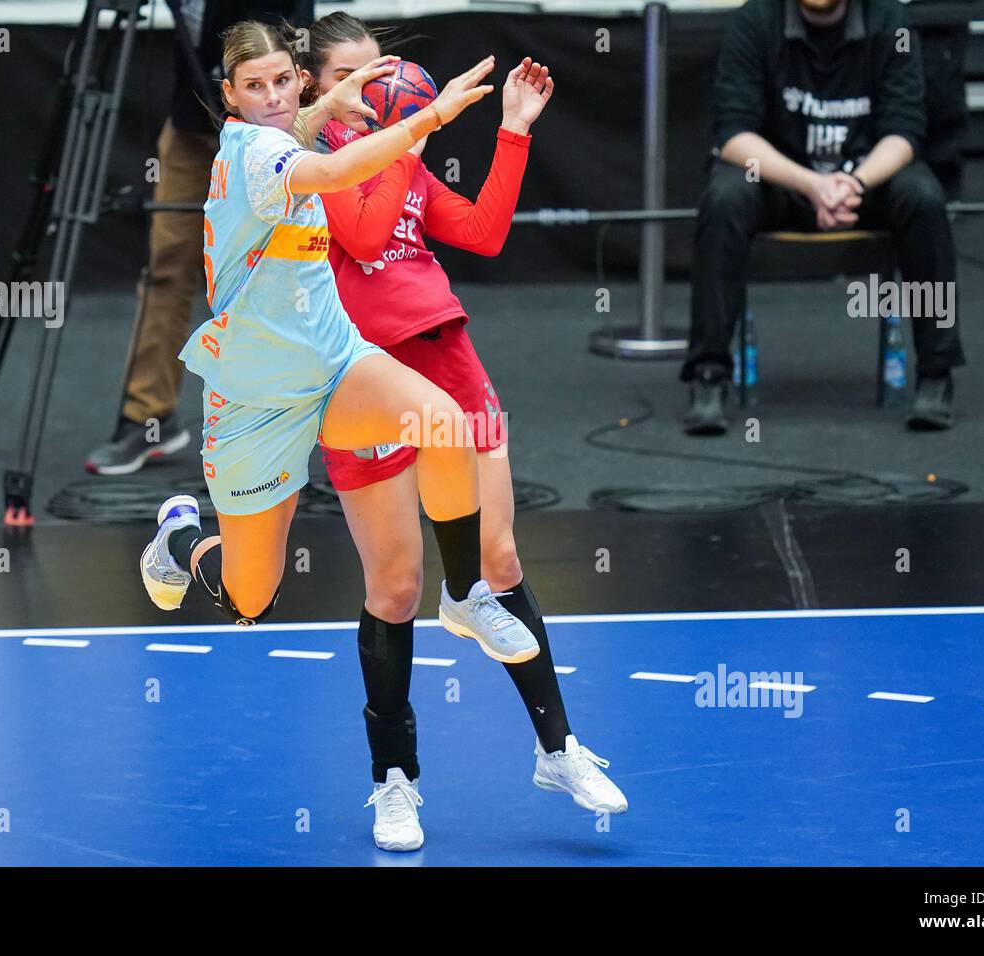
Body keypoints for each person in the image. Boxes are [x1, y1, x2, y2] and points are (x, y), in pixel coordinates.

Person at [139, 23, 543, 706]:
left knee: (444, 424)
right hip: (256, 396)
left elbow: (309, 132)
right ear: (229, 96)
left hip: (333, 362)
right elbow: (330, 172)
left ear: (298, 79)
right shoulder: (252, 151)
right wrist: (430, 118)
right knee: (249, 599)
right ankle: (180, 540)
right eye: (253, 86)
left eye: (280, 80)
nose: (269, 96)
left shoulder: (295, 123)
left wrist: (335, 101)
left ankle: (466, 594)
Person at [302, 12, 627, 852]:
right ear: (317, 88)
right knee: (395, 591)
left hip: (447, 356)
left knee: (501, 562)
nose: (378, 89)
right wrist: (414, 131)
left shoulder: (401, 159)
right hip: (363, 380)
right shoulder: (315, 168)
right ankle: (395, 782)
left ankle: (558, 750)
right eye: (356, 77)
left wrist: (513, 132)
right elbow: (365, 232)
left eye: (385, 73)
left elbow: (480, 232)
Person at [683, 0, 966, 436]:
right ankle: (708, 374)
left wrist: (853, 181)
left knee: (923, 196)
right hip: (782, 181)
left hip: (864, 182)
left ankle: (936, 374)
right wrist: (811, 184)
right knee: (724, 197)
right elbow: (733, 135)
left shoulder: (891, 21)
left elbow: (906, 131)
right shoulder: (755, 21)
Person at [85, 1, 311, 474]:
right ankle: (147, 418)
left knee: (277, 272)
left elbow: (287, 30)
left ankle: (285, 420)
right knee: (168, 264)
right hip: (191, 120)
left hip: (267, 125)